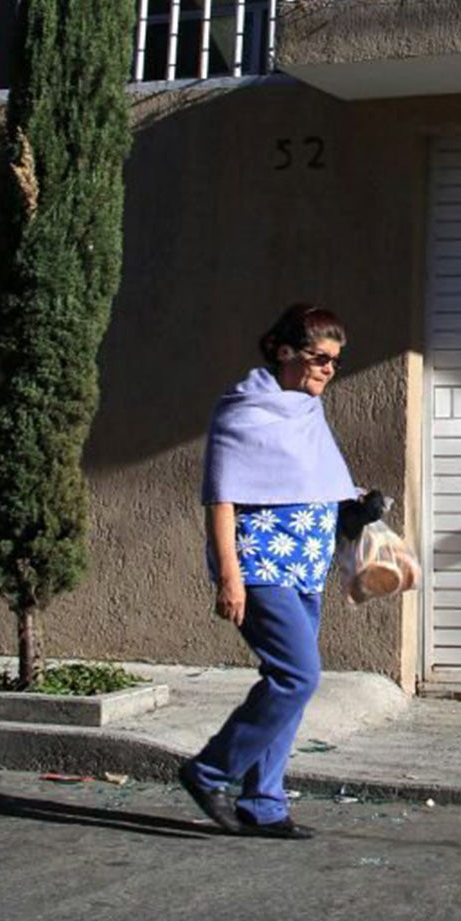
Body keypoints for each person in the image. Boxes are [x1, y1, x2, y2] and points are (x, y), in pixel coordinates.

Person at [182, 303, 382, 840]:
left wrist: (356, 508)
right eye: (320, 358)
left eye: (336, 361)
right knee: (298, 676)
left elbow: (316, 484)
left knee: (287, 683)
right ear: (284, 351)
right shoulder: (242, 410)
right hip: (259, 566)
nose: (329, 370)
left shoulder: (308, 413)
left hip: (307, 566)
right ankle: (208, 772)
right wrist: (229, 578)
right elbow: (221, 499)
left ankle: (263, 804)